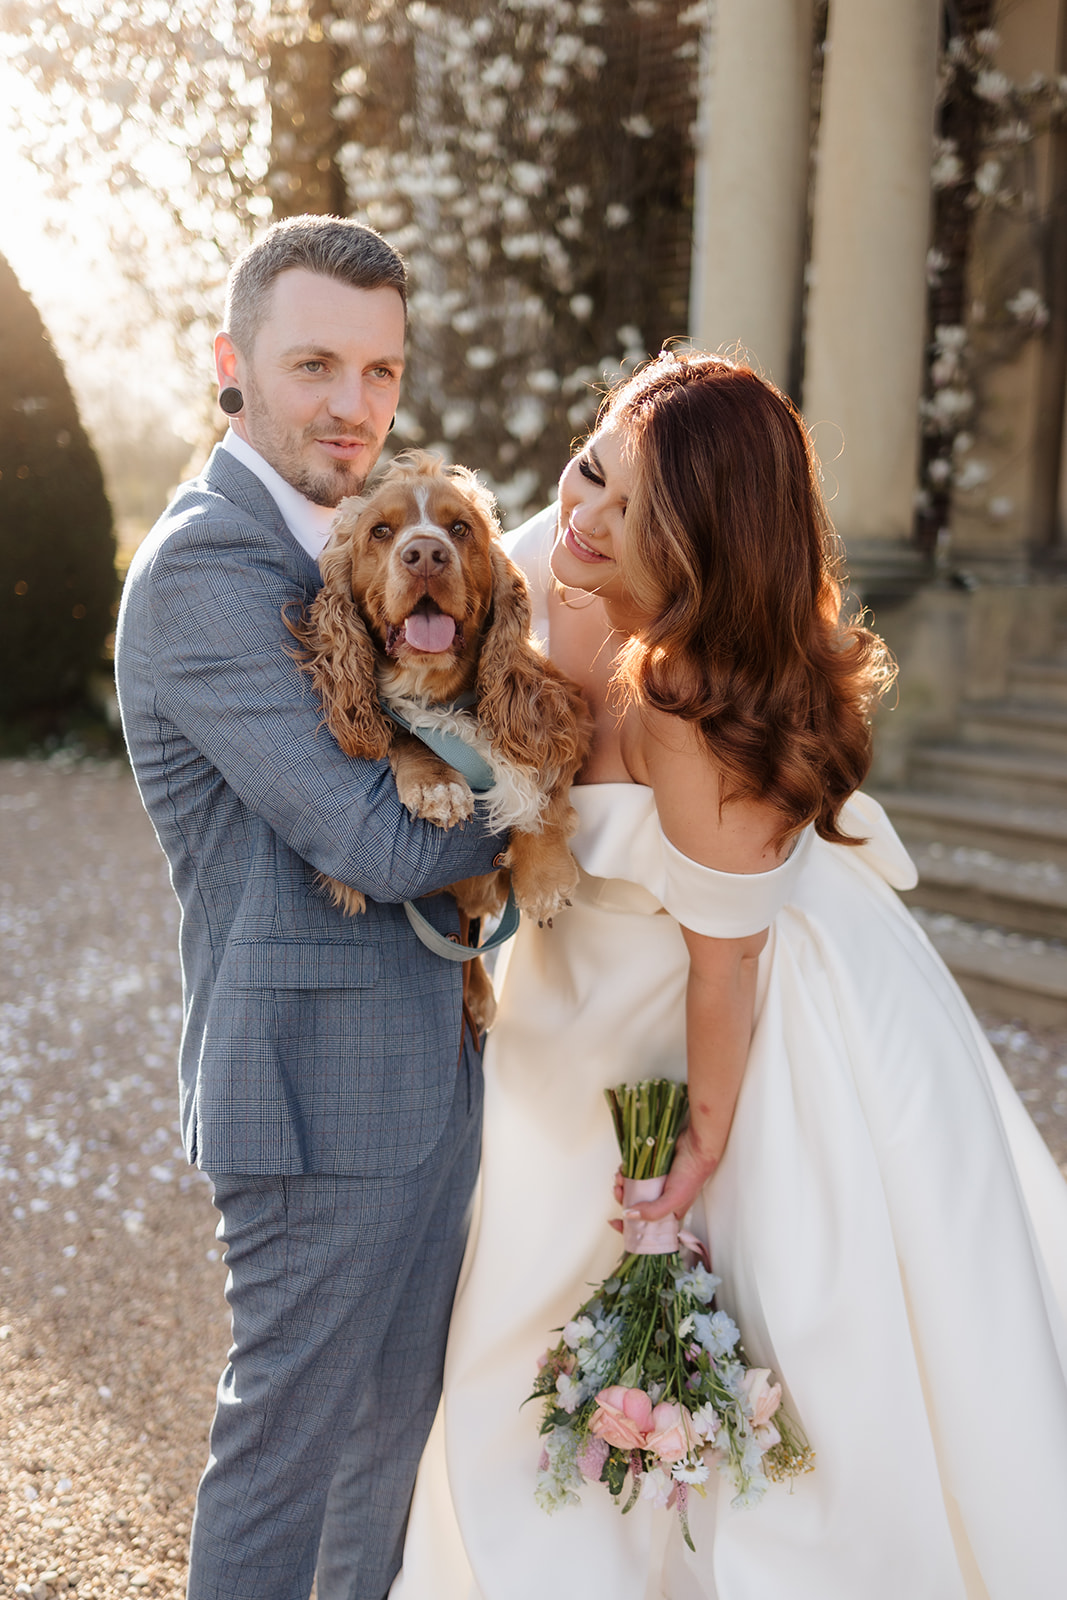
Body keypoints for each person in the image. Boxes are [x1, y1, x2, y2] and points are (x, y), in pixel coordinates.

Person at [389, 352, 1067, 1600]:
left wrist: (692, 1157)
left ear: (700, 557)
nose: (583, 518)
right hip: (569, 1003)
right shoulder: (558, 551)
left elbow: (725, 969)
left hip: (735, 1016)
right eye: (589, 469)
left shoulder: (702, 710)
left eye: (630, 515)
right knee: (507, 1311)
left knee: (790, 1322)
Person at [115, 215, 506, 1600]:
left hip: (425, 1076)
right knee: (285, 1455)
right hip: (309, 1096)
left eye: (381, 373)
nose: (354, 408)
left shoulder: (348, 552)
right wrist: (568, 785)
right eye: (315, 367)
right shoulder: (211, 573)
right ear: (233, 364)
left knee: (383, 1454)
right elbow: (377, 844)